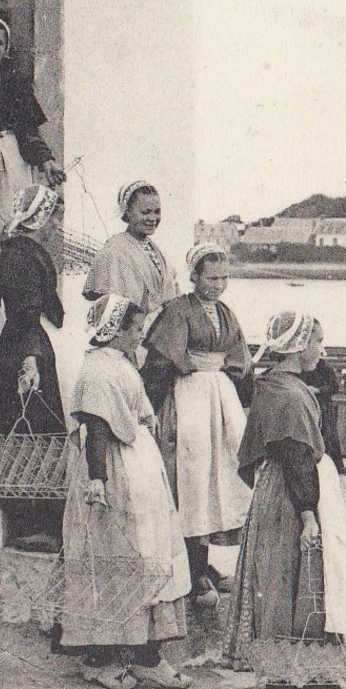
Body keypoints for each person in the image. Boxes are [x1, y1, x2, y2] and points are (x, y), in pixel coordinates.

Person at [227, 311, 346, 689]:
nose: (322, 350)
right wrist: (307, 514)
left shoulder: (278, 385)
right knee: (291, 583)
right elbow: (296, 456)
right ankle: (281, 686)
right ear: (300, 346)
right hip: (291, 497)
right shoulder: (286, 395)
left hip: (286, 489)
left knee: (314, 582)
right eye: (318, 342)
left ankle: (317, 673)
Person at [56, 295, 191, 689]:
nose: (140, 336)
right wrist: (97, 480)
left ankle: (147, 657)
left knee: (149, 555)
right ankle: (101, 659)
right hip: (115, 472)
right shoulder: (98, 371)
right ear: (112, 332)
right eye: (134, 330)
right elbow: (96, 429)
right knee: (116, 556)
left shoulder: (121, 362)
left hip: (138, 466)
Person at [140, 245, 253, 606]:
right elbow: (159, 365)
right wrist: (150, 409)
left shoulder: (226, 313)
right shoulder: (178, 311)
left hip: (218, 399)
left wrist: (245, 398)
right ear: (194, 276)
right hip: (187, 397)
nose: (218, 285)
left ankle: (204, 564)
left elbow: (239, 360)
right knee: (191, 479)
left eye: (224, 277)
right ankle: (191, 567)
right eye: (211, 277)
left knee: (219, 478)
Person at [0, 184, 64, 551]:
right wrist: (31, 360)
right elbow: (28, 310)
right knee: (35, 431)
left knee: (25, 432)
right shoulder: (23, 255)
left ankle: (29, 520)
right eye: (56, 217)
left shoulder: (17, 251)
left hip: (15, 347)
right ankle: (34, 524)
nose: (58, 226)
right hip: (26, 349)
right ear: (42, 219)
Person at [0, 16, 61, 245]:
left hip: (14, 160)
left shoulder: (15, 80)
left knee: (12, 218)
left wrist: (46, 160)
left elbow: (28, 129)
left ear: (5, 48)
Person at [82, 181, 179, 325]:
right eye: (145, 212)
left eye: (157, 212)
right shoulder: (114, 251)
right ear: (128, 212)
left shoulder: (156, 250)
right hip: (131, 336)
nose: (152, 218)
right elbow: (109, 308)